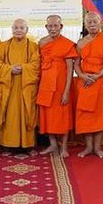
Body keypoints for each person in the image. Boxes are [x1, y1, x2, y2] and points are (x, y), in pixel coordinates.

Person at [0, 19, 40, 153]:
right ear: (12, 30)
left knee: (27, 113)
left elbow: (36, 64)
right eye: (16, 28)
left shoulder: (33, 47)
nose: (18, 30)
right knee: (9, 115)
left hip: (26, 86)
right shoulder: (4, 46)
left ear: (27, 30)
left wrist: (24, 68)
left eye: (21, 28)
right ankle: (8, 144)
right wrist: (9, 69)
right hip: (9, 86)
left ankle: (28, 144)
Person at [74, 12, 103, 158]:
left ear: (100, 23)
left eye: (94, 22)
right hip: (85, 81)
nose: (92, 25)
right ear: (85, 24)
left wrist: (97, 76)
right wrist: (82, 76)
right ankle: (88, 147)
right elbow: (76, 64)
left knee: (100, 114)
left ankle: (97, 148)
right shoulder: (81, 43)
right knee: (85, 114)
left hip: (101, 80)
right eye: (89, 22)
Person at [37, 15, 78, 157]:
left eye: (56, 26)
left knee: (62, 116)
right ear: (46, 27)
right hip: (45, 84)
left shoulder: (67, 44)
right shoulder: (42, 43)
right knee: (47, 116)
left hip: (61, 86)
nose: (53, 29)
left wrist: (66, 91)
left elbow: (70, 70)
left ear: (61, 27)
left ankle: (64, 147)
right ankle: (53, 144)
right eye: (50, 26)